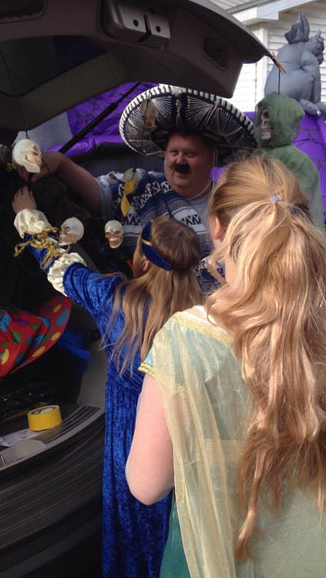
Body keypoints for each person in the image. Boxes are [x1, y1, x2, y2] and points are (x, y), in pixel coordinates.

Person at [126, 157, 326, 577]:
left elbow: (146, 486)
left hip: (217, 558)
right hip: (324, 560)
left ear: (216, 228)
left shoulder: (185, 342)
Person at [11, 187, 203, 578]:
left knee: (132, 531)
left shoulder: (114, 299)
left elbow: (59, 267)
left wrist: (27, 216)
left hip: (131, 444)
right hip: (186, 448)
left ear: (142, 260)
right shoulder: (202, 317)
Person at [25, 85, 256, 265]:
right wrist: (61, 163)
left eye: (190, 154)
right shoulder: (141, 185)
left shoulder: (228, 204)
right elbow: (98, 193)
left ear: (211, 158)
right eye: (174, 152)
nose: (179, 161)